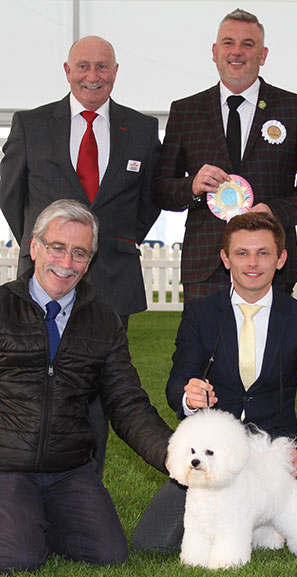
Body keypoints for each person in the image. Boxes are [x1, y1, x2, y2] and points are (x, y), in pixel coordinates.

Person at [132, 212, 297, 553]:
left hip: (270, 461)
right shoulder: (200, 314)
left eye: (263, 253)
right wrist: (189, 397)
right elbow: (177, 382)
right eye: (242, 253)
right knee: (153, 543)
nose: (252, 263)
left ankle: (263, 523)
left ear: (281, 258)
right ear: (225, 258)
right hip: (215, 457)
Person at [0, 35, 162, 475]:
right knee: (31, 385)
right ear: (67, 70)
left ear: (115, 72)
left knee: (99, 392)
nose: (94, 75)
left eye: (103, 67)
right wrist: (47, 253)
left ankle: (86, 485)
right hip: (44, 283)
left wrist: (107, 245)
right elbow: (11, 193)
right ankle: (21, 479)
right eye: (84, 66)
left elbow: (148, 202)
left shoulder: (142, 130)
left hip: (112, 280)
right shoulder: (32, 125)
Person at [0, 199, 172, 575]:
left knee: (108, 554)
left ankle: (32, 518)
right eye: (57, 247)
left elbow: (126, 403)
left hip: (70, 468)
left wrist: (172, 453)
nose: (66, 263)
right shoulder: (2, 306)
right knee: (18, 559)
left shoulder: (103, 319)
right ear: (34, 247)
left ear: (90, 260)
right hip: (7, 465)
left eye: (79, 253)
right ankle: (21, 520)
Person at [152, 8, 297, 301]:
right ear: (214, 51)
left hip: (271, 263)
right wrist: (192, 186)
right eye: (228, 42)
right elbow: (160, 189)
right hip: (205, 267)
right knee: (204, 348)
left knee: (272, 348)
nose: (237, 52)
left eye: (248, 44)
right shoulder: (185, 111)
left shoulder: (295, 108)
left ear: (263, 54)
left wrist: (275, 213)